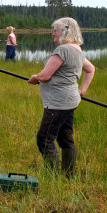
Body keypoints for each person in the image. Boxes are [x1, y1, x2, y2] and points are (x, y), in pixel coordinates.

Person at [27, 17, 95, 177]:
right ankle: (69, 174)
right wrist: (82, 91)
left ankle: (53, 176)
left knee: (44, 139)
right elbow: (91, 69)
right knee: (65, 137)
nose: (53, 34)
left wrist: (35, 77)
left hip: (58, 103)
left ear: (65, 32)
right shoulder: (77, 50)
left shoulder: (63, 50)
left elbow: (45, 76)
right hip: (70, 101)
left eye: (55, 31)